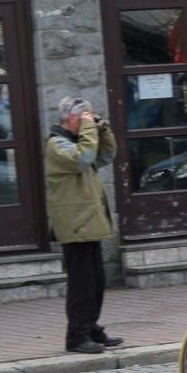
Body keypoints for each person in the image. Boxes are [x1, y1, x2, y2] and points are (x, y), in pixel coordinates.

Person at [43, 96, 124, 355]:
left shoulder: (80, 141)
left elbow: (105, 156)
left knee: (96, 281)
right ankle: (76, 336)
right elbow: (82, 159)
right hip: (74, 225)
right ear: (72, 119)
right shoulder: (56, 145)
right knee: (81, 284)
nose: (90, 121)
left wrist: (103, 130)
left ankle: (91, 328)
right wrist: (90, 129)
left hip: (87, 221)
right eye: (86, 117)